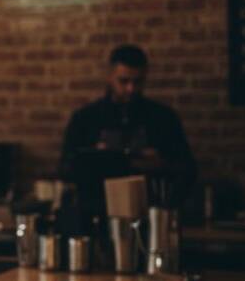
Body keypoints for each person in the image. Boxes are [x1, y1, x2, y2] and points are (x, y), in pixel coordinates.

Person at [59, 44, 197, 210]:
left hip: (149, 211)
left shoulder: (162, 118)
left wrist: (162, 164)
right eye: (124, 81)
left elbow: (188, 170)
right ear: (110, 76)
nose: (131, 89)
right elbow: (64, 169)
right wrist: (94, 159)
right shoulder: (86, 118)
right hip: (97, 211)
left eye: (137, 82)